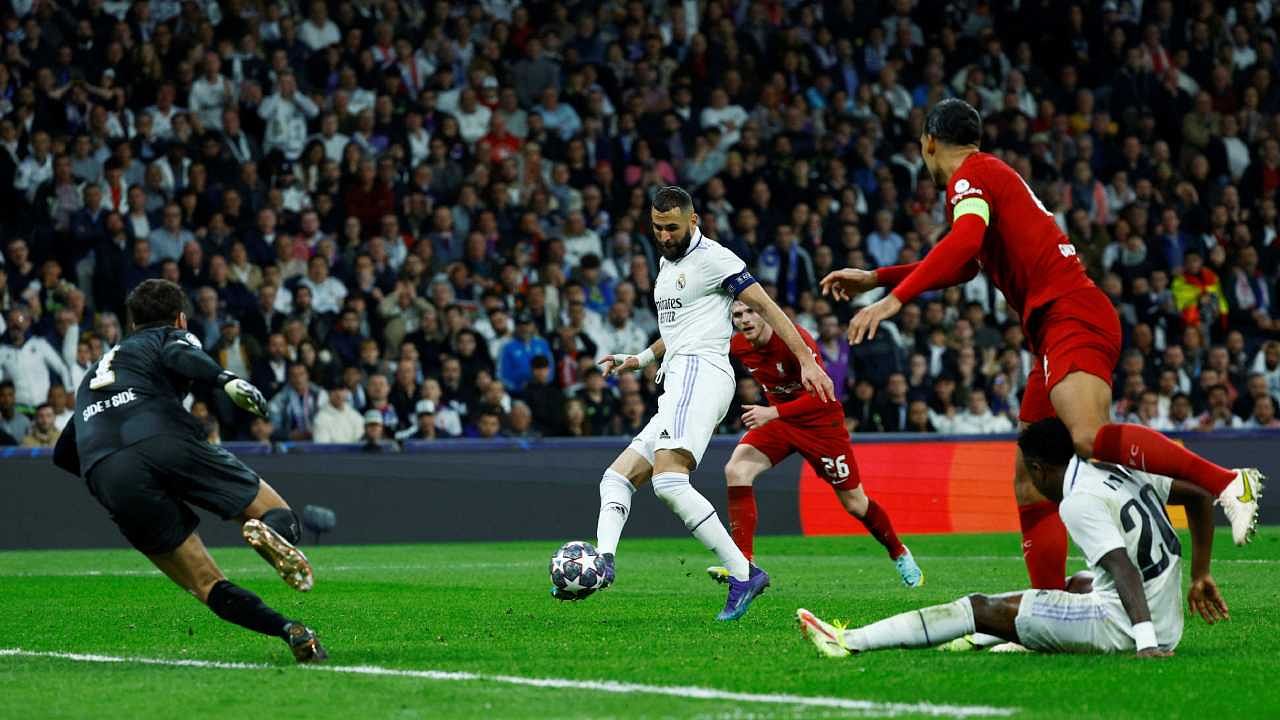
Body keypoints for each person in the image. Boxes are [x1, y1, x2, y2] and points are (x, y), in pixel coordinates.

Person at [822, 99, 1262, 594]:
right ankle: (1049, 608)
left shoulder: (971, 175)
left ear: (927, 141)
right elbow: (968, 263)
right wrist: (878, 277)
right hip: (1053, 329)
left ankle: (1226, 481)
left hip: (1069, 315)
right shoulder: (984, 177)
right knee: (1033, 477)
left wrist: (893, 300)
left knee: (1089, 439)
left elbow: (964, 243)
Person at [573, 186, 835, 622]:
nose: (663, 235)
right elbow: (681, 328)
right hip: (678, 377)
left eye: (672, 227)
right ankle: (603, 563)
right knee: (616, 480)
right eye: (657, 228)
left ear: (693, 221)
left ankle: (743, 574)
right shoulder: (666, 262)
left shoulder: (716, 259)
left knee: (669, 482)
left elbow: (767, 307)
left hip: (702, 374)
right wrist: (638, 359)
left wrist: (807, 360)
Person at [50, 279, 325, 663]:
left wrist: (119, 473)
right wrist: (224, 378)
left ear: (131, 324)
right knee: (276, 512)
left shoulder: (93, 376)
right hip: (163, 438)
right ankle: (269, 532)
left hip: (107, 471)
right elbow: (182, 355)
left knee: (205, 583)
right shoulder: (169, 336)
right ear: (179, 318)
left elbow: (64, 453)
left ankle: (289, 631)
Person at [798, 417, 1226, 658]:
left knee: (979, 606)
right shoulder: (1116, 466)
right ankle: (986, 637)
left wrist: (1146, 646)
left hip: (1127, 630)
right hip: (1165, 619)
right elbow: (1201, 495)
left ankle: (849, 643)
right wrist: (1200, 573)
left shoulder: (1078, 500)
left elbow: (1122, 567)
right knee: (1077, 583)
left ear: (1038, 469)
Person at [705, 301, 920, 587]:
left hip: (821, 426)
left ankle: (899, 552)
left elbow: (823, 392)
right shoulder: (740, 345)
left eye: (751, 312)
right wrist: (643, 358)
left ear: (766, 312)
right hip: (781, 423)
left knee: (855, 504)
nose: (745, 320)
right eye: (737, 315)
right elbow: (693, 342)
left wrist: (773, 412)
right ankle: (744, 563)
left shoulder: (796, 340)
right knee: (737, 470)